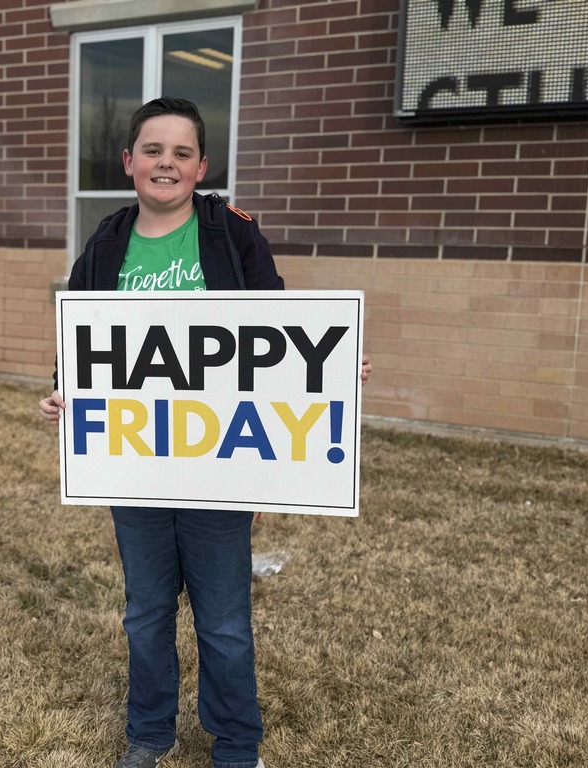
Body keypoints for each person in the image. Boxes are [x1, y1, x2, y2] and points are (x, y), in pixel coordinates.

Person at [39, 97, 371, 768]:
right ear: (129, 162)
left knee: (222, 620)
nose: (167, 162)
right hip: (134, 462)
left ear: (201, 167)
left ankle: (236, 741)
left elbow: (276, 328)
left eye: (182, 153)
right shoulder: (106, 241)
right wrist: (62, 389)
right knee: (146, 612)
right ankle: (150, 733)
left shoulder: (231, 232)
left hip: (220, 464)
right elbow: (82, 340)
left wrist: (329, 365)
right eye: (153, 151)